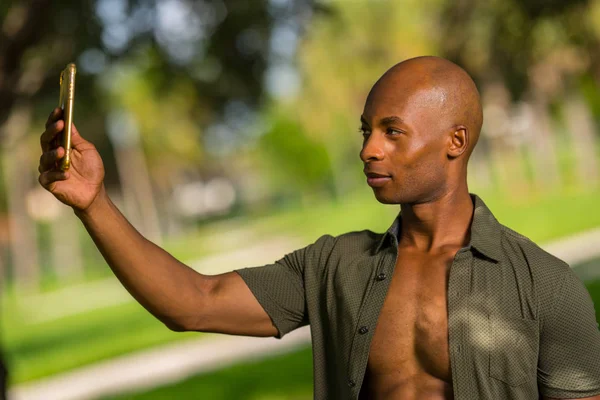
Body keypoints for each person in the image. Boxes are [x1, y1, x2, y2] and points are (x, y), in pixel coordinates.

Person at [38, 56, 600, 400]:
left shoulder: (544, 286)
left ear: (455, 141)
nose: (368, 149)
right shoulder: (336, 267)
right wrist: (95, 205)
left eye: (392, 131)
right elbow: (195, 302)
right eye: (365, 131)